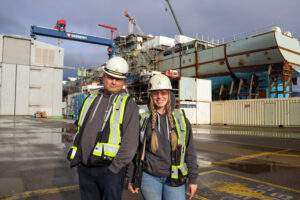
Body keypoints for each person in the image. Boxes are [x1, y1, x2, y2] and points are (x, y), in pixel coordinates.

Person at [67, 56, 140, 200]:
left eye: (118, 79)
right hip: (85, 169)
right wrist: (79, 160)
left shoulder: (128, 104)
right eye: (110, 77)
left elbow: (130, 142)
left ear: (123, 81)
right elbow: (80, 131)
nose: (113, 82)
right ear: (104, 76)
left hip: (110, 171)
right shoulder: (90, 99)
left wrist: (114, 169)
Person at [127, 74, 198, 200]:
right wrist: (131, 177)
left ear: (169, 94)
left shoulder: (181, 120)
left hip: (175, 178)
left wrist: (193, 179)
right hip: (149, 178)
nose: (159, 97)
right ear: (151, 95)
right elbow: (134, 153)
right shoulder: (143, 120)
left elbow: (190, 151)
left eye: (163, 92)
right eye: (155, 93)